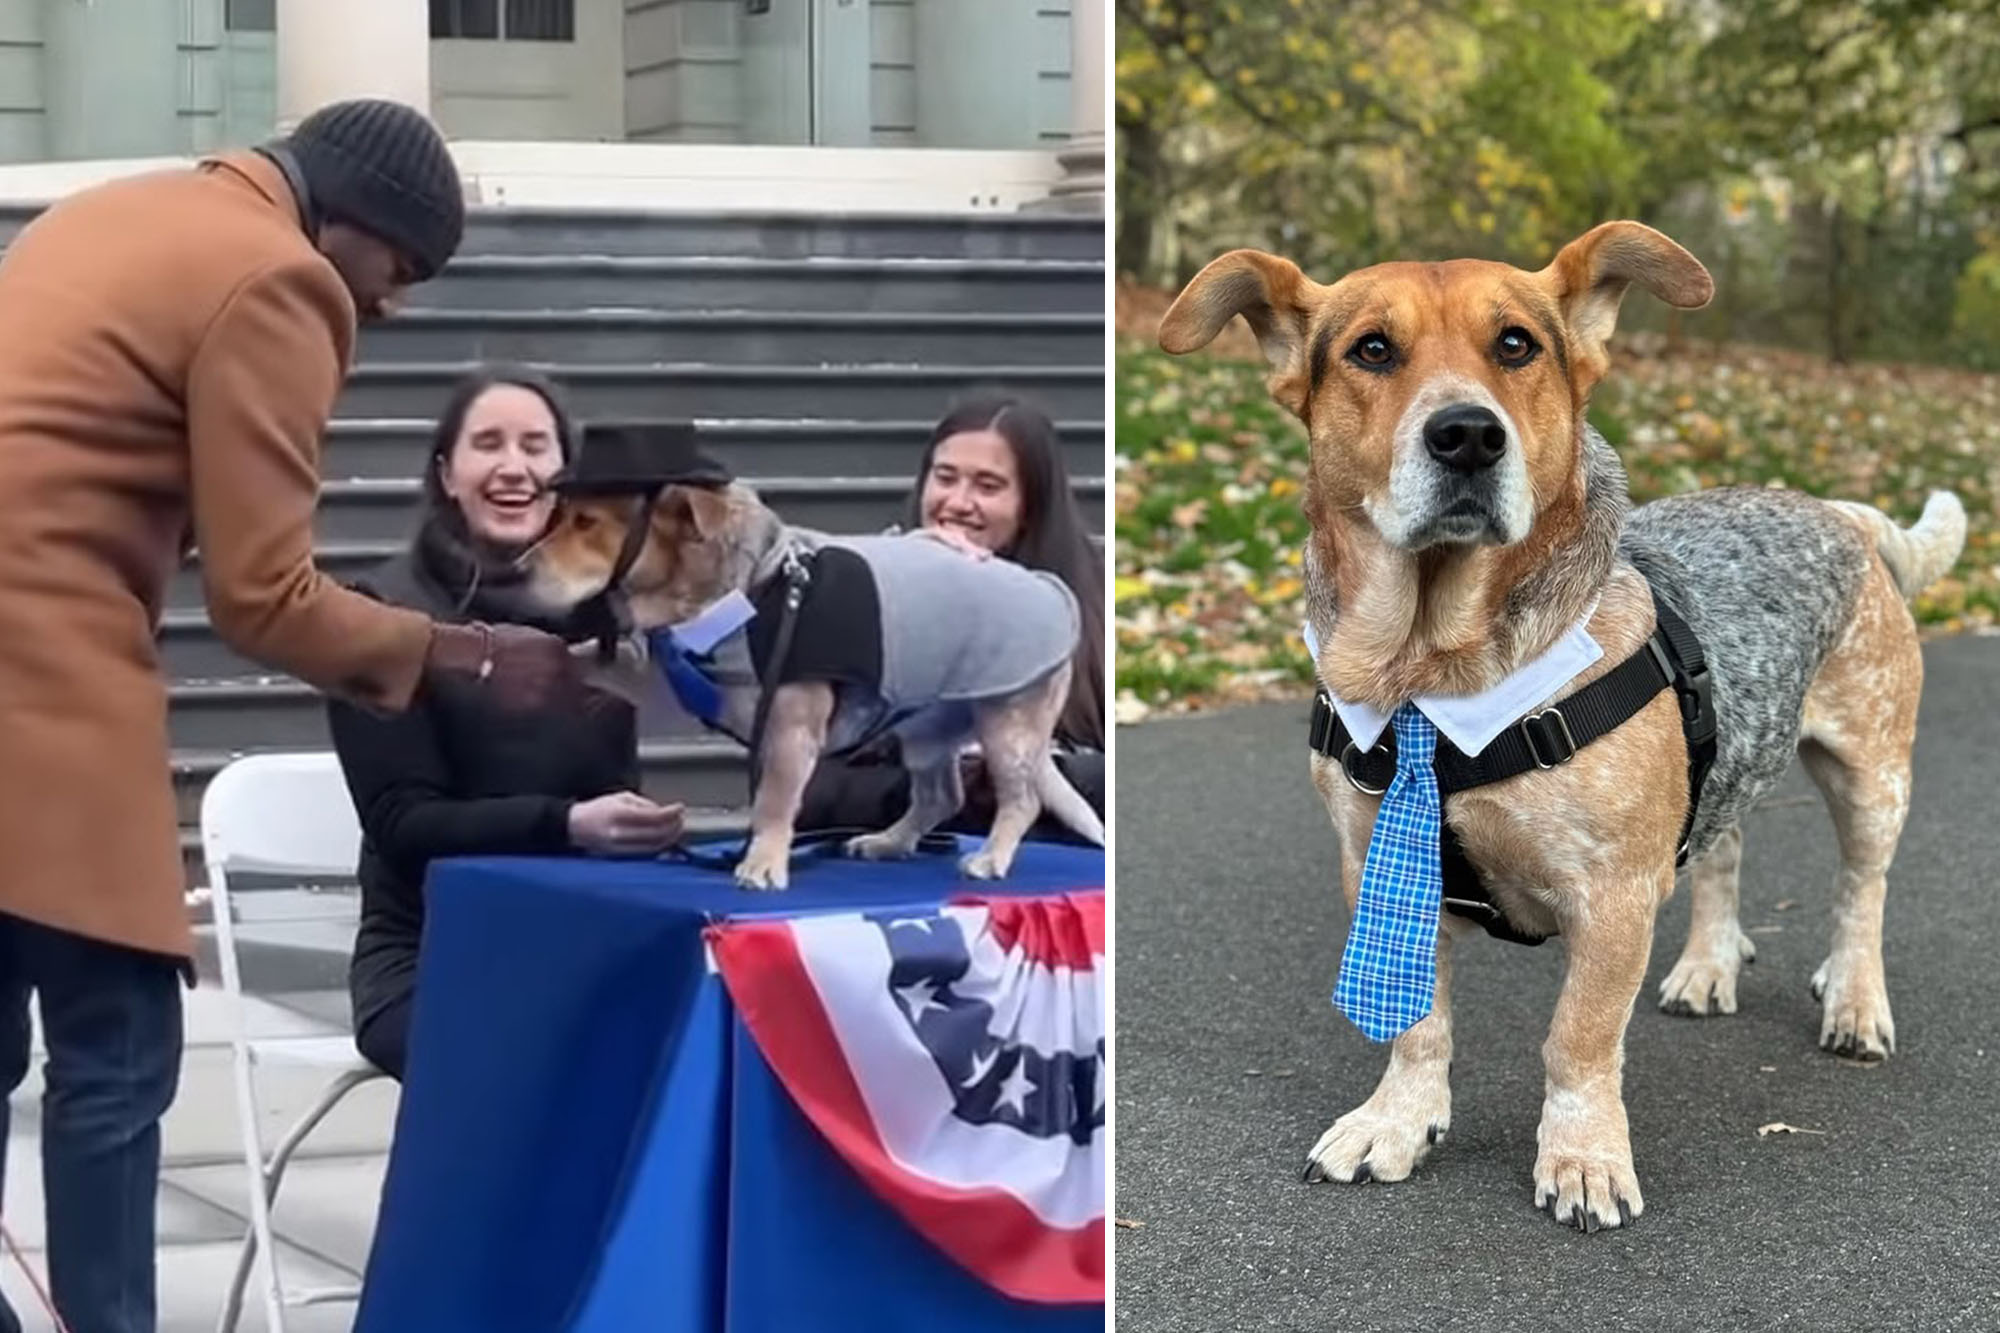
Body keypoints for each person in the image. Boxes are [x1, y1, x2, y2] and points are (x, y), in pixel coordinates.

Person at [0, 101, 579, 1333]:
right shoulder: (279, 277)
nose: (387, 304)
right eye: (400, 272)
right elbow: (265, 598)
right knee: (112, 1059)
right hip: (39, 679)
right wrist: (466, 655)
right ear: (359, 226)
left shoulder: (97, 217)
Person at [327, 368, 686, 1081]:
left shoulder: (607, 610)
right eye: (487, 444)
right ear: (446, 472)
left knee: (717, 1029)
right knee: (544, 1052)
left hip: (589, 931)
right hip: (431, 950)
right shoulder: (377, 611)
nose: (514, 466)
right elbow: (402, 822)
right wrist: (568, 822)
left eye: (535, 446)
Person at [796, 392, 1106, 837]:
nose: (957, 503)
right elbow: (807, 783)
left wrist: (1027, 777)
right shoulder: (858, 585)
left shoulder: (1091, 597)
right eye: (945, 478)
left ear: (1031, 506)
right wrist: (929, 788)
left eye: (988, 486)